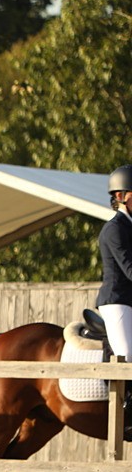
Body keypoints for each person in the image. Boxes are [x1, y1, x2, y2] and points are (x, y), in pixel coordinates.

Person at [96, 165, 132, 418]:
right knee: (127, 355)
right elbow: (130, 270)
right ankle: (125, 412)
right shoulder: (115, 229)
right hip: (117, 301)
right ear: (121, 196)